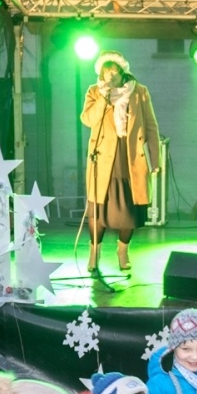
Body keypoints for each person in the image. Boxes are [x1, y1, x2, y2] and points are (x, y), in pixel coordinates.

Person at [81, 51, 160, 274]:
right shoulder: (95, 92)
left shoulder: (140, 92)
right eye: (106, 71)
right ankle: (94, 253)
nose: (110, 75)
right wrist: (104, 98)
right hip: (103, 159)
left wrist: (156, 160)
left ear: (122, 71)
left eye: (113, 70)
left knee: (129, 212)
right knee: (98, 211)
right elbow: (88, 120)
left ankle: (123, 250)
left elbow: (152, 128)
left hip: (130, 158)